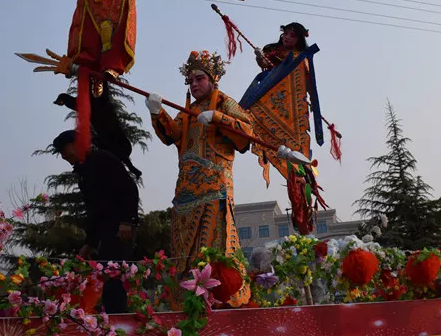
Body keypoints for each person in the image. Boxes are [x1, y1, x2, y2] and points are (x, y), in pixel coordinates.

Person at [144, 50, 266, 308]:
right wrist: (158, 113)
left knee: (213, 251)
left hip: (214, 189)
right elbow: (172, 135)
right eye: (190, 81)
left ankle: (221, 301)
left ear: (212, 79)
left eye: (199, 78)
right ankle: (187, 303)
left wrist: (218, 118)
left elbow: (248, 133)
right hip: (186, 193)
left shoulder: (224, 102)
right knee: (184, 255)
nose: (195, 84)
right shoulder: (187, 110)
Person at [242, 23, 327, 234]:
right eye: (285, 34)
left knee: (298, 155)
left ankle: (303, 207)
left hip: (292, 108)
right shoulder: (273, 50)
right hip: (269, 101)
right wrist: (261, 59)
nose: (288, 37)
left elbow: (304, 82)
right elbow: (267, 68)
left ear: (298, 39)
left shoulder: (302, 56)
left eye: (292, 35)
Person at [51, 129, 140, 314]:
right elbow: (94, 210)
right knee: (106, 275)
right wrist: (90, 242)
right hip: (106, 229)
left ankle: (117, 320)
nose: (64, 156)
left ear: (76, 144)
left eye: (64, 150)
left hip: (120, 227)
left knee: (114, 274)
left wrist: (127, 222)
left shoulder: (102, 159)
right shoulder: (84, 171)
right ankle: (110, 317)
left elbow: (129, 188)